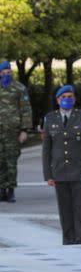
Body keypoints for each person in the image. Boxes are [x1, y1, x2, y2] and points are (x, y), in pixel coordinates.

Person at [42, 85, 81, 244]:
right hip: (59, 172)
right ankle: (68, 241)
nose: (67, 100)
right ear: (58, 100)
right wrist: (48, 175)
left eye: (70, 97)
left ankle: (80, 241)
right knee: (65, 211)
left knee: (80, 210)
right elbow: (46, 150)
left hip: (79, 172)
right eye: (63, 97)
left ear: (74, 99)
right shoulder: (50, 119)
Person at [0, 60, 33, 203]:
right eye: (3, 73)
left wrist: (24, 130)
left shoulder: (19, 88)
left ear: (11, 73)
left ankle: (11, 190)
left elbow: (26, 109)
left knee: (11, 160)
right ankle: (1, 190)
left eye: (8, 72)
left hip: (12, 130)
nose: (6, 75)